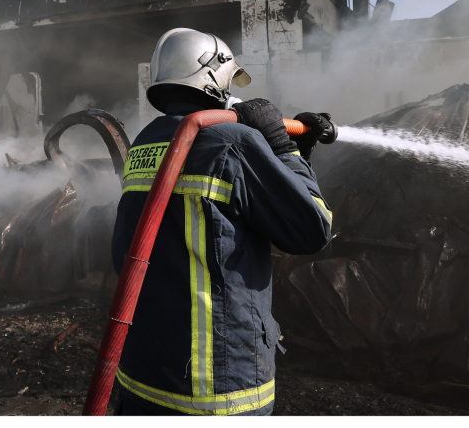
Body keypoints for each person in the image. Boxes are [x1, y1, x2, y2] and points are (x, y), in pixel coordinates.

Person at [111, 28, 334, 416]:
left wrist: (292, 153)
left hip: (142, 375)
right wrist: (284, 149)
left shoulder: (145, 142)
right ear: (213, 77)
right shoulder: (232, 142)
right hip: (215, 382)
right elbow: (313, 229)